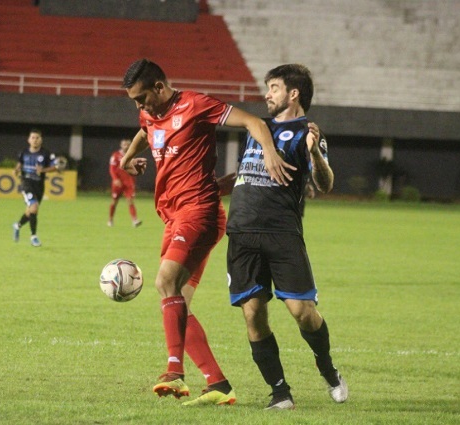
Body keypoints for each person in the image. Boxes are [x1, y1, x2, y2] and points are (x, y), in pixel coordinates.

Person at [119, 58, 294, 406]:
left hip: (198, 212)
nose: (140, 106)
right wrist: (128, 159)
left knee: (164, 283)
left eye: (142, 98)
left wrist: (270, 153)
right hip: (173, 216)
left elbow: (253, 121)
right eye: (134, 102)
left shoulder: (196, 105)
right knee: (176, 301)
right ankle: (218, 383)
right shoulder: (148, 115)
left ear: (159, 87)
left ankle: (174, 370)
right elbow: (145, 131)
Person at [224, 64, 348, 410]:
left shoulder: (308, 132)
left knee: (302, 311)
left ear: (293, 94)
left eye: (274, 87)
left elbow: (324, 184)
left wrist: (312, 153)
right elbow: (250, 171)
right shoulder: (257, 129)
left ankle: (329, 370)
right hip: (242, 231)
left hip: (281, 233)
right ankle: (280, 393)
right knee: (252, 313)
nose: (267, 94)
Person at [12, 128, 59, 247]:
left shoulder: (46, 153)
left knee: (31, 211)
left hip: (39, 185)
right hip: (26, 183)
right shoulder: (23, 152)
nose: (35, 140)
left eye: (37, 138)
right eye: (33, 137)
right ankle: (34, 237)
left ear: (41, 140)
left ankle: (17, 225)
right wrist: (16, 170)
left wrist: (43, 170)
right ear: (29, 140)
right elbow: (19, 164)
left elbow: (55, 167)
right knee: (34, 207)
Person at [108, 139, 142, 227]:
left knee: (130, 201)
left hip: (128, 183)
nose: (126, 146)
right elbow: (112, 169)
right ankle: (110, 220)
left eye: (128, 144)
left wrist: (133, 181)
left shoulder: (132, 155)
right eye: (124, 144)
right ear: (121, 145)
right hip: (118, 183)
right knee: (114, 202)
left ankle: (135, 220)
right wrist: (115, 179)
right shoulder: (115, 155)